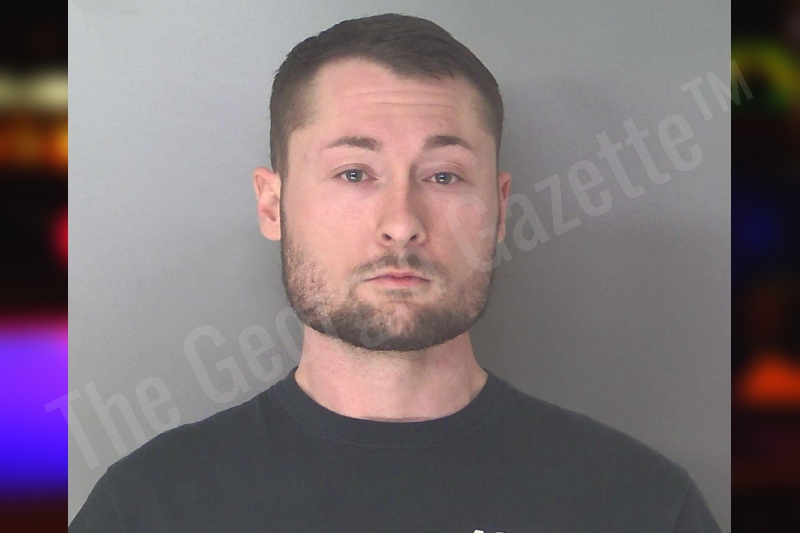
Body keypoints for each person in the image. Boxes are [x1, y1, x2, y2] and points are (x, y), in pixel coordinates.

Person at [69, 13, 722, 532]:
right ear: (272, 205)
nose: (402, 222)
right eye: (355, 172)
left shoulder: (640, 506)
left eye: (444, 176)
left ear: (499, 209)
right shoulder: (148, 509)